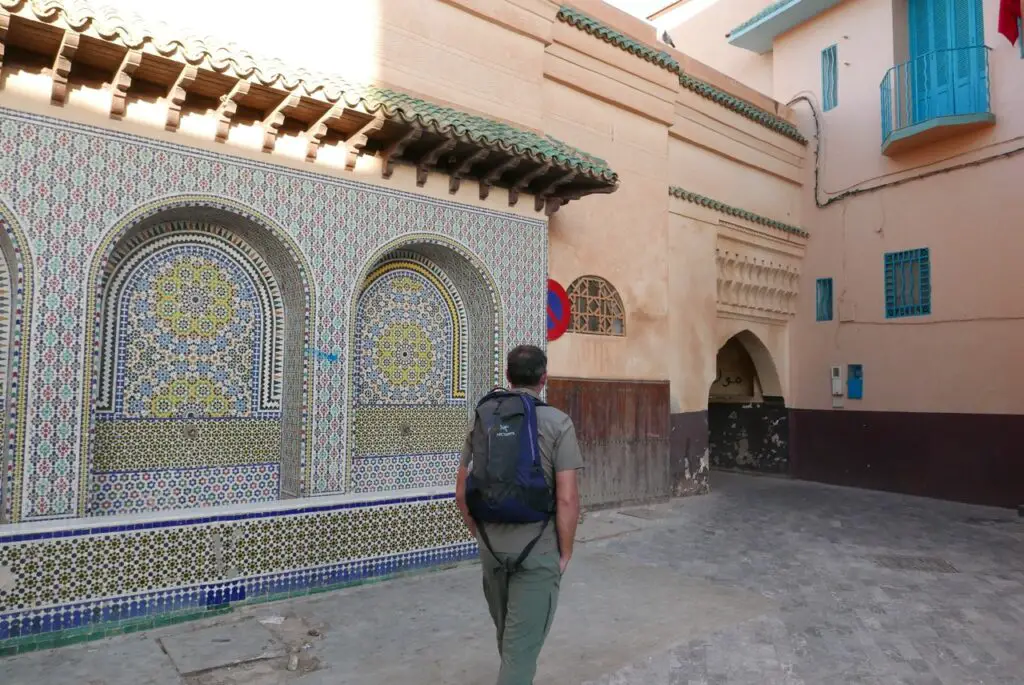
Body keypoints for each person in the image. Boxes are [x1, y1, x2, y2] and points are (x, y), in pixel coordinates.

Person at [455, 344, 583, 685]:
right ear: (544, 379)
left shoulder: (483, 417)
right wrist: (565, 552)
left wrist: (479, 533)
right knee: (521, 647)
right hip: (538, 548)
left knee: (510, 637)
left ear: (508, 377)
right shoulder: (558, 423)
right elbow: (568, 498)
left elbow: (460, 491)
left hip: (490, 547)